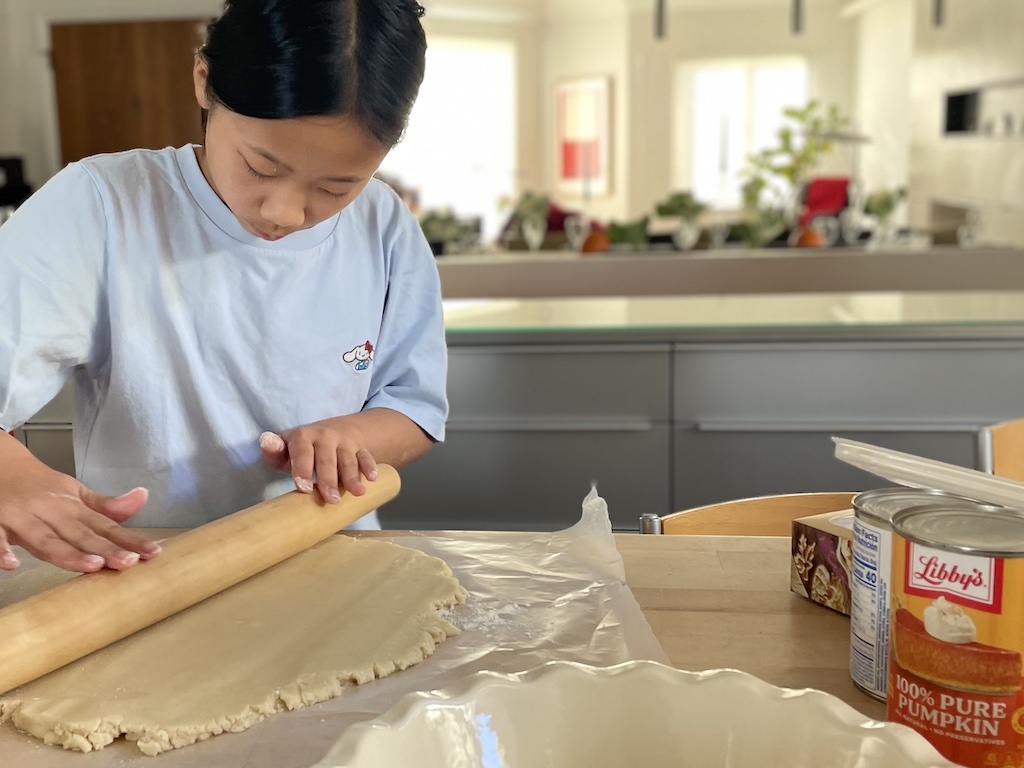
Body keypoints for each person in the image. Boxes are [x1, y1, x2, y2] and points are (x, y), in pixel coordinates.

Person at [0, 0, 446, 573]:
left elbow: (413, 408)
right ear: (204, 81)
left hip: (333, 562)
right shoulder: (102, 206)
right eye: (261, 167)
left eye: (336, 188)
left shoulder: (384, 225)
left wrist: (352, 434)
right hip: (151, 570)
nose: (285, 213)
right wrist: (13, 478)